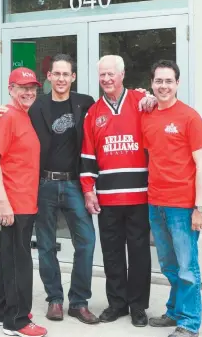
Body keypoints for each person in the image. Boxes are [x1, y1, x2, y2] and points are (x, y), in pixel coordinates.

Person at [0, 54, 99, 325]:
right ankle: (55, 299)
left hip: (73, 183)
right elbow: (5, 124)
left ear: (73, 77)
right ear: (48, 77)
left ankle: (79, 302)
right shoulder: (34, 104)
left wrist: (142, 96)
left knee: (87, 241)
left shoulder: (85, 103)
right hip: (42, 184)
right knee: (46, 245)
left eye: (65, 74)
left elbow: (110, 118)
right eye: (55, 74)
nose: (60, 79)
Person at [79, 55, 156, 328]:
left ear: (122, 75)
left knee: (138, 253)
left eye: (111, 74)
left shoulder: (142, 101)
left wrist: (152, 97)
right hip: (108, 197)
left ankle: (138, 306)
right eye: (102, 75)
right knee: (111, 252)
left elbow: (161, 111)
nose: (107, 79)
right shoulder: (93, 112)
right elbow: (88, 155)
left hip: (139, 195)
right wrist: (89, 191)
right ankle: (117, 303)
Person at [141, 59, 202, 337]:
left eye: (169, 81)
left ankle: (189, 322)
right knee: (169, 266)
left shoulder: (189, 117)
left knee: (187, 267)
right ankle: (173, 311)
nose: (163, 86)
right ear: (152, 83)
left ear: (178, 83)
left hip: (183, 207)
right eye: (158, 81)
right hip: (155, 202)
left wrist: (199, 208)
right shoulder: (147, 115)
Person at [0, 67, 47, 337]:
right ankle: (17, 320)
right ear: (11, 89)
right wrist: (4, 202)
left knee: (7, 258)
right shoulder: (7, 117)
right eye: (22, 87)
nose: (28, 91)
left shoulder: (23, 116)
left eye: (32, 87)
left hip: (23, 200)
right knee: (18, 262)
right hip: (14, 203)